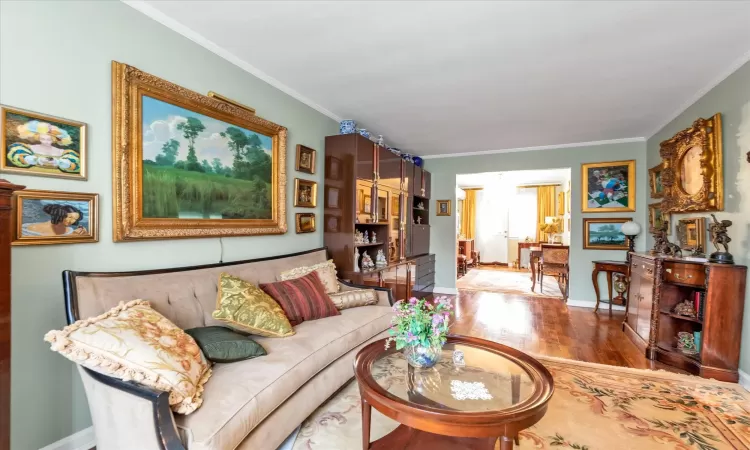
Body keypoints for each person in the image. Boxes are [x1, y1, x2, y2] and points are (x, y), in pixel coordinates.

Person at [7, 120, 80, 173]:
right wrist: (36, 160)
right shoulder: (28, 148)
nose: (46, 142)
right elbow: (19, 158)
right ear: (38, 138)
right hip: (34, 176)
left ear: (54, 140)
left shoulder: (64, 152)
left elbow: (74, 166)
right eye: (43, 139)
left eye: (49, 139)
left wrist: (60, 162)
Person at [22, 203, 87, 236]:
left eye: (75, 219)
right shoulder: (33, 228)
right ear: (60, 214)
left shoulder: (70, 230)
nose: (72, 221)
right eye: (70, 217)